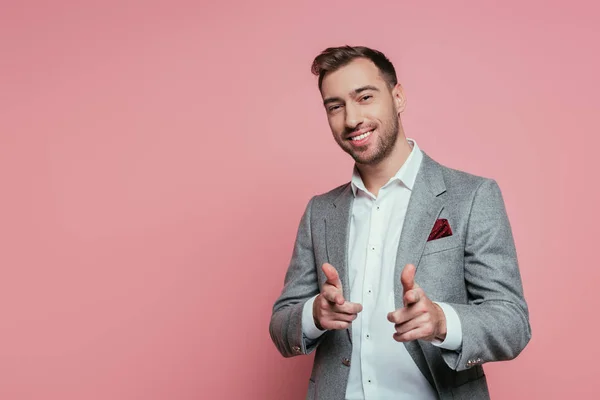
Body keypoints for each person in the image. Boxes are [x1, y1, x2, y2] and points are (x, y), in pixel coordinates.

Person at [269, 45, 531, 400]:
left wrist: (441, 321)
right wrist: (313, 314)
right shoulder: (320, 212)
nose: (351, 119)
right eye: (335, 106)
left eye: (364, 97)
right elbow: (281, 325)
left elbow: (512, 323)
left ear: (398, 97)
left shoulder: (471, 197)